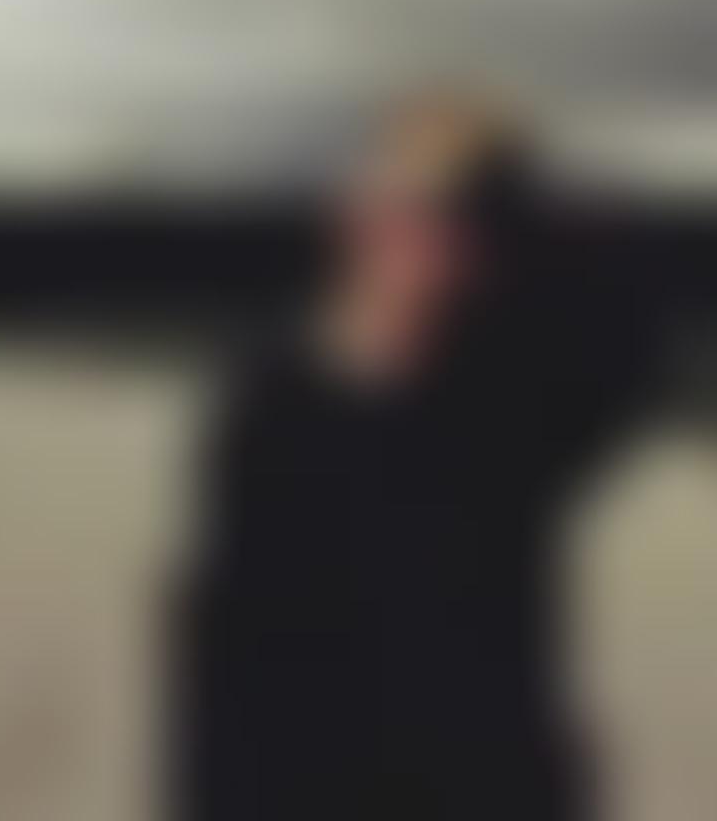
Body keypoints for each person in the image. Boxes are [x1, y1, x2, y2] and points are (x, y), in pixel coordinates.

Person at [171, 91, 665, 820]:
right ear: (356, 215)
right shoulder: (269, 412)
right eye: (415, 210)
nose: (437, 239)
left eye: (468, 220)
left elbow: (637, 333)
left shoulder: (512, 407)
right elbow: (225, 655)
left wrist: (516, 192)